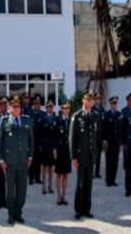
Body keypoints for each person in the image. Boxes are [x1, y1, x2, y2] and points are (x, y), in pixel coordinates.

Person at [0, 94, 33, 225]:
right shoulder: (4, 121)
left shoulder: (27, 120)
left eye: (19, 106)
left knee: (22, 189)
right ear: (10, 108)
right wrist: (1, 160)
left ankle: (19, 212)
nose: (17, 109)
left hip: (23, 161)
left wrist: (30, 156)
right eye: (14, 106)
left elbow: (31, 140)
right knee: (10, 190)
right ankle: (11, 213)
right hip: (9, 162)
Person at [71, 90, 99, 220]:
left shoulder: (94, 116)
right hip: (81, 156)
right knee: (80, 184)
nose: (89, 102)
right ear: (83, 101)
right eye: (87, 99)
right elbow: (72, 139)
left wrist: (96, 154)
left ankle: (87, 209)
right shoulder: (77, 116)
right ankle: (78, 209)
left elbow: (96, 137)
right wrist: (73, 157)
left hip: (91, 155)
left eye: (91, 100)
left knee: (89, 184)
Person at [54, 102, 72, 206]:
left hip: (67, 150)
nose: (66, 110)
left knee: (66, 174)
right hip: (59, 150)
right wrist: (54, 149)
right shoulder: (58, 121)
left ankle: (64, 196)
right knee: (59, 174)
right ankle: (58, 196)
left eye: (68, 108)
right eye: (64, 108)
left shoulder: (71, 121)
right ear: (62, 109)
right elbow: (55, 136)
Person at [102, 96, 121, 187]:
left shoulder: (119, 114)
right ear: (110, 104)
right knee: (109, 160)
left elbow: (120, 129)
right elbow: (104, 128)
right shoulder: (107, 115)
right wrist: (104, 140)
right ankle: (108, 179)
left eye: (115, 103)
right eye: (113, 103)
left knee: (115, 161)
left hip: (116, 141)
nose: (114, 105)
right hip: (109, 141)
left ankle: (113, 179)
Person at [39, 99, 56, 195]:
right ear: (46, 108)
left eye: (51, 107)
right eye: (48, 107)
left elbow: (56, 134)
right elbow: (40, 132)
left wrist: (55, 147)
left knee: (51, 167)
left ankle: (50, 186)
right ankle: (44, 186)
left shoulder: (55, 118)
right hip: (45, 146)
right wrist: (40, 145)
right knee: (44, 166)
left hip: (52, 146)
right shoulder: (43, 118)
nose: (50, 108)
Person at [29, 95, 45, 186]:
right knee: (31, 161)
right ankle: (31, 178)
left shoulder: (43, 114)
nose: (37, 105)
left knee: (38, 161)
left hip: (39, 142)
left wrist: (42, 143)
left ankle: (37, 178)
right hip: (31, 142)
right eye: (35, 104)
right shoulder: (30, 114)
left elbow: (44, 130)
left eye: (38, 104)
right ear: (33, 105)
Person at [92, 93, 105, 179]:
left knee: (99, 155)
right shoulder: (92, 110)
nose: (98, 101)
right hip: (93, 136)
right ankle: (92, 172)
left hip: (100, 135)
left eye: (99, 99)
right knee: (93, 155)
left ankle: (97, 172)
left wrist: (104, 138)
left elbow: (104, 125)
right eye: (97, 99)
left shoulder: (102, 110)